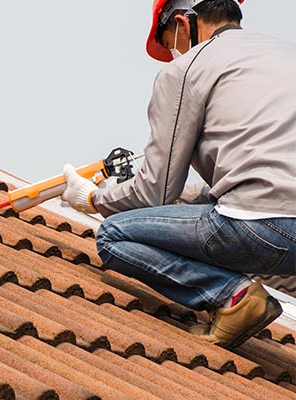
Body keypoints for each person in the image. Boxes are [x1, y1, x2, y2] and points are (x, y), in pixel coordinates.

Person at [60, 0, 296, 350]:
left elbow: (153, 192)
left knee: (113, 235)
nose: (174, 53)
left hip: (259, 224)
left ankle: (234, 297)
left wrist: (94, 198)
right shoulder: (283, 54)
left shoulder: (188, 68)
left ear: (184, 25)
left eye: (171, 41)